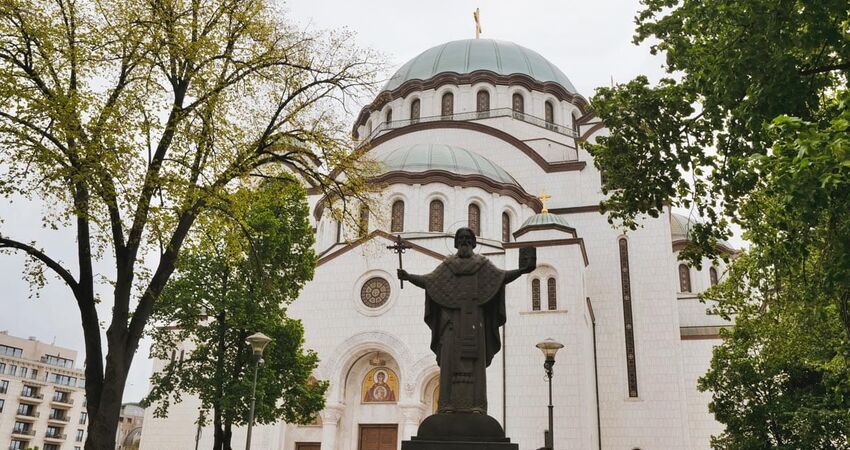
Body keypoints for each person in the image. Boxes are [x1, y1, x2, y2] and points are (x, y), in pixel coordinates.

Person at [398, 228, 535, 414]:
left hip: (474, 325)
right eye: (461, 238)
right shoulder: (447, 266)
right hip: (450, 327)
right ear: (455, 243)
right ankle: (446, 405)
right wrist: (408, 277)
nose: (464, 242)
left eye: (468, 239)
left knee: (476, 365)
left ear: (473, 242)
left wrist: (521, 270)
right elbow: (429, 281)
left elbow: (501, 277)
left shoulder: (483, 265)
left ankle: (478, 405)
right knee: (447, 364)